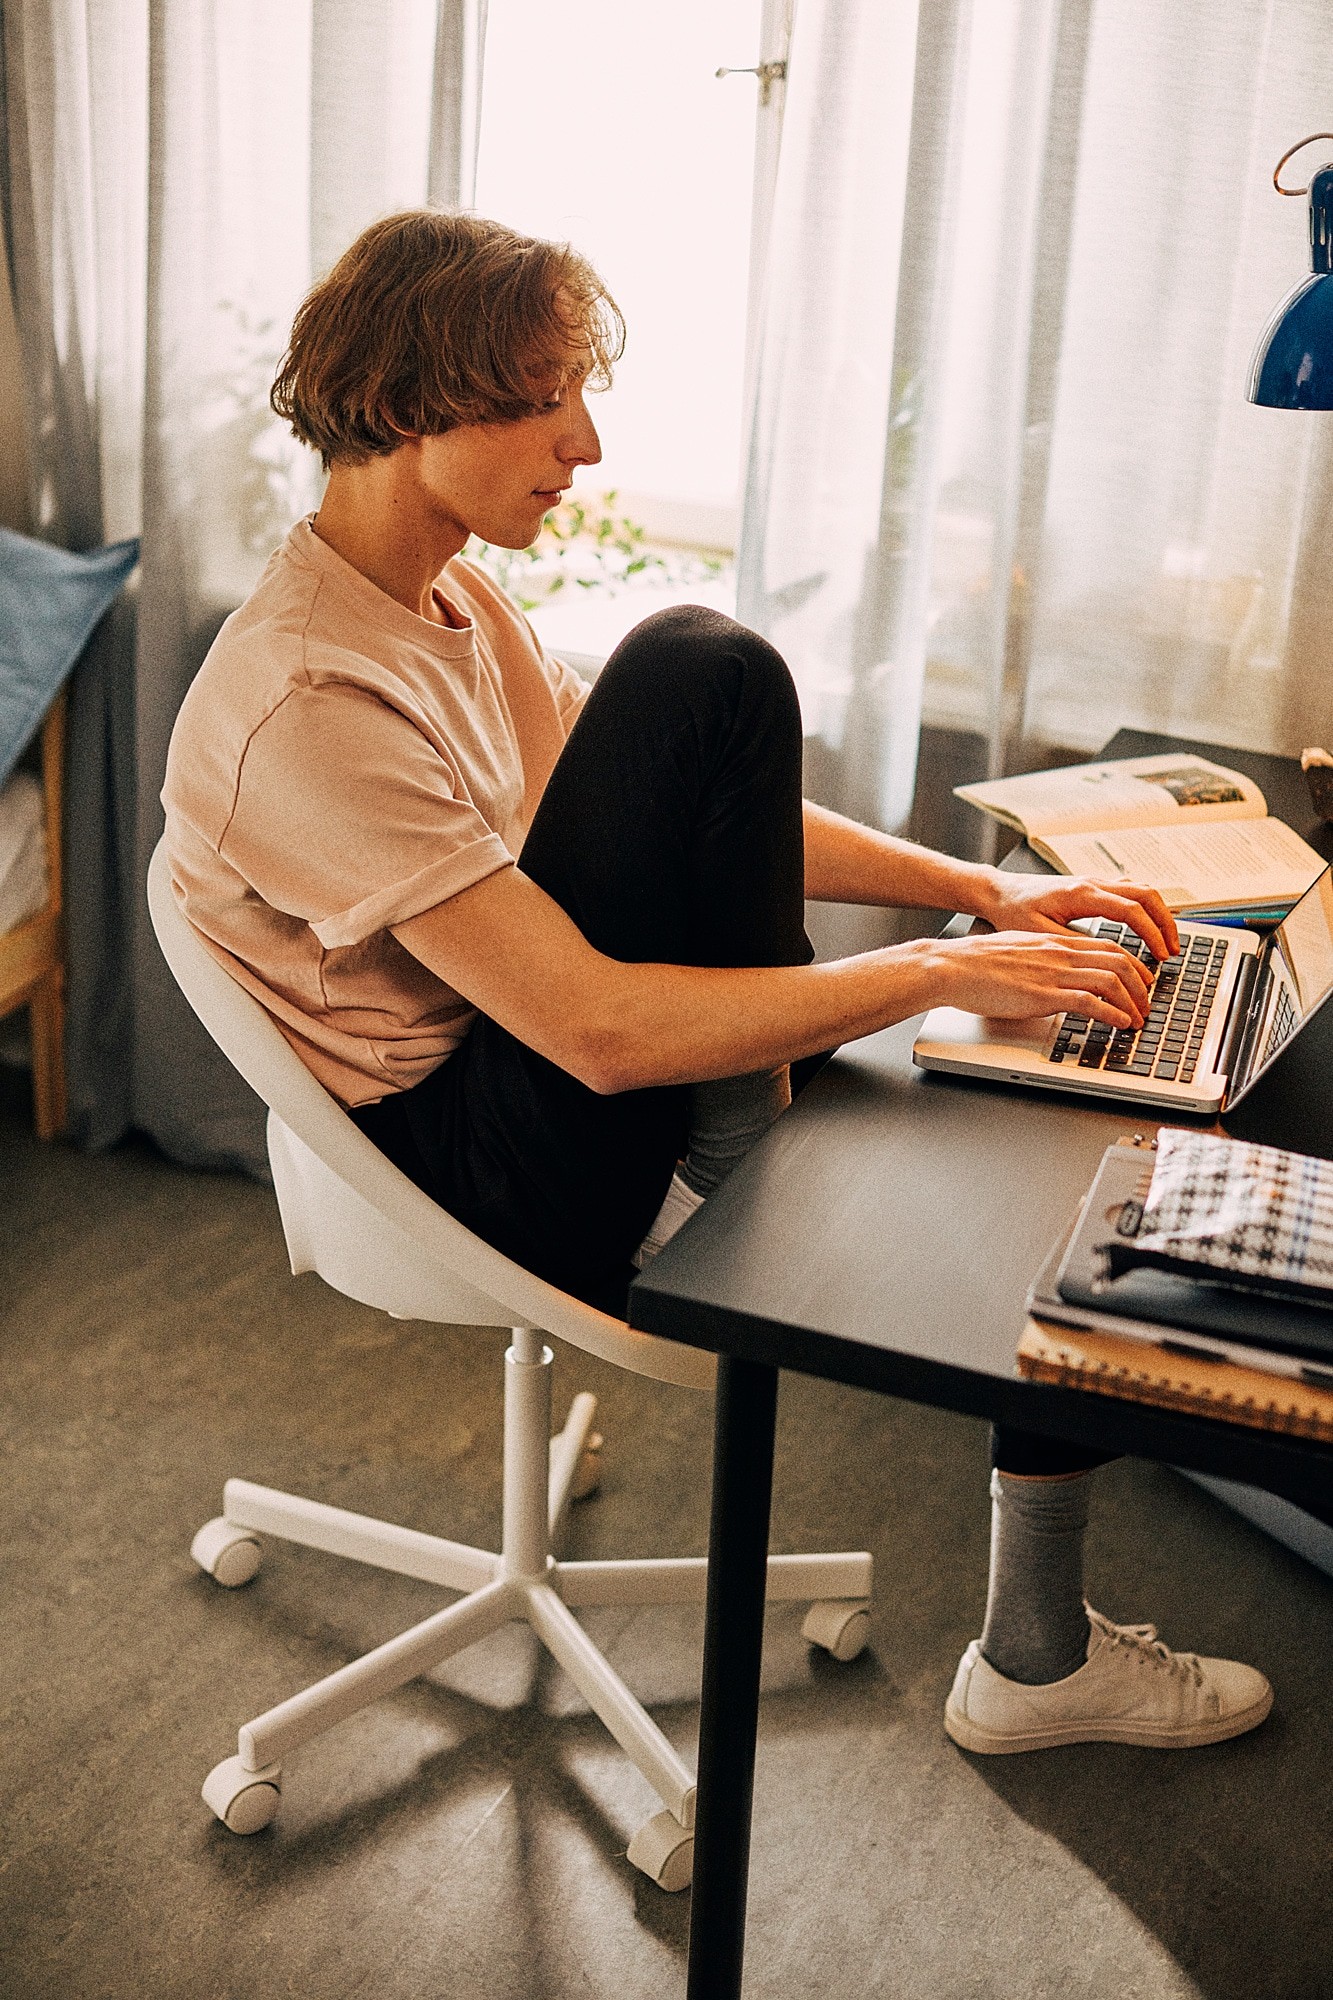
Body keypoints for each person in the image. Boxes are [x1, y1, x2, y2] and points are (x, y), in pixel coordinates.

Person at [162, 209, 1272, 1755]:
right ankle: (756, 1177)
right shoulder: (305, 698)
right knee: (703, 661)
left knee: (705, 688)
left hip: (553, 1068)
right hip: (487, 1162)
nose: (585, 442)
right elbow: (603, 1034)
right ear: (416, 406)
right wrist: (927, 975)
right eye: (541, 399)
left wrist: (975, 887)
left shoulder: (450, 604)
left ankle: (1031, 1648)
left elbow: (709, 808)